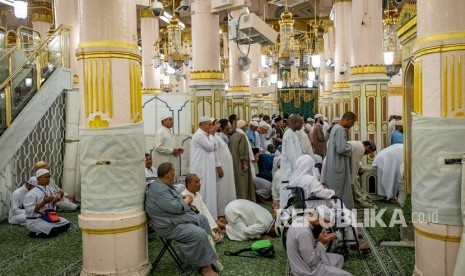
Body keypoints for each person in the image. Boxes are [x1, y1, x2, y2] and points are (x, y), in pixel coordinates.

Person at [145, 163, 222, 276]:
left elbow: (172, 200)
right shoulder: (158, 189)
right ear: (167, 175)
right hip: (167, 225)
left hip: (173, 219)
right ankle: (206, 267)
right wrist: (187, 200)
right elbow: (175, 207)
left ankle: (210, 256)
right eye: (173, 173)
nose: (174, 176)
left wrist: (182, 198)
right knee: (199, 233)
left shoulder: (162, 185)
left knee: (202, 219)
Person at [286, 204, 351, 276]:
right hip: (307, 270)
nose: (323, 228)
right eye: (323, 225)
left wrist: (318, 240)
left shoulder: (300, 220)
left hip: (306, 260)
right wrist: (321, 243)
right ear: (318, 220)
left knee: (340, 259)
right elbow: (311, 262)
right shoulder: (304, 233)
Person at [322, 112, 356, 210]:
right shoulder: (340, 130)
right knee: (338, 192)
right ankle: (339, 214)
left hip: (334, 164)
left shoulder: (335, 128)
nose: (352, 125)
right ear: (348, 119)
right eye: (352, 122)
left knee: (335, 191)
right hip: (338, 166)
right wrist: (350, 147)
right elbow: (341, 149)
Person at [24, 169, 71, 238]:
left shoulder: (49, 189)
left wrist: (57, 199)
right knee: (53, 231)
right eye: (46, 177)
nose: (48, 179)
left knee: (67, 224)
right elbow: (29, 210)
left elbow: (51, 204)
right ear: (38, 179)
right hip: (35, 220)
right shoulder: (31, 193)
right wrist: (43, 202)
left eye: (49, 177)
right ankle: (34, 234)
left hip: (49, 217)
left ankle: (47, 230)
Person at [190, 116, 220, 220]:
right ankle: (203, 217)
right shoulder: (199, 135)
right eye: (209, 124)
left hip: (207, 169)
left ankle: (211, 217)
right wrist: (212, 135)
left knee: (209, 193)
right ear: (203, 125)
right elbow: (210, 147)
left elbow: (214, 147)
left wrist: (211, 135)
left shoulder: (205, 135)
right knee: (203, 193)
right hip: (201, 169)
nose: (211, 126)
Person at [181, 173, 224, 243]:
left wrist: (213, 225)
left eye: (199, 181)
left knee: (219, 235)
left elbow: (205, 211)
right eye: (196, 182)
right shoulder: (183, 197)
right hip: (192, 228)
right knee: (215, 236)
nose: (199, 184)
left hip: (202, 224)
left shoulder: (198, 195)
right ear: (189, 184)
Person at [280, 114, 305, 208]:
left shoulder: (292, 133)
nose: (302, 125)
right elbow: (292, 157)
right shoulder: (289, 134)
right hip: (290, 172)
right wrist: (298, 172)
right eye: (301, 123)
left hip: (293, 172)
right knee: (289, 199)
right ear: (295, 123)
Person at [229, 120, 255, 202]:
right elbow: (242, 150)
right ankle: (244, 201)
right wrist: (244, 163)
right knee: (243, 183)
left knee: (238, 183)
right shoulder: (242, 135)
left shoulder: (233, 135)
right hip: (241, 163)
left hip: (234, 163)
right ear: (244, 127)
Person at [214, 119, 236, 217]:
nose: (217, 125)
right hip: (222, 167)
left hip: (227, 167)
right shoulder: (215, 137)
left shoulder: (217, 137)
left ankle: (228, 208)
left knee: (228, 187)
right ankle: (222, 211)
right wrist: (219, 167)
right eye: (216, 124)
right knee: (222, 189)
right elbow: (216, 155)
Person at [348, 141, 376, 208]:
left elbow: (355, 161)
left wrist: (360, 168)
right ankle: (362, 200)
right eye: (369, 152)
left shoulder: (358, 145)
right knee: (353, 182)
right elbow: (354, 163)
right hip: (339, 167)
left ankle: (363, 197)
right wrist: (353, 178)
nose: (367, 154)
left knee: (354, 181)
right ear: (367, 147)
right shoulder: (361, 148)